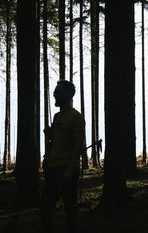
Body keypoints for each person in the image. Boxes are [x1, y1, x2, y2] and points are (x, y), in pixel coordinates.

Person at [41, 80, 86, 233]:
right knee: (45, 209)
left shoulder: (76, 117)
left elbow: (79, 144)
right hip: (53, 168)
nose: (54, 94)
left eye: (58, 92)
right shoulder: (56, 117)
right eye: (55, 92)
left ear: (67, 95)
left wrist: (71, 169)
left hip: (66, 169)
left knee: (70, 209)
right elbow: (55, 141)